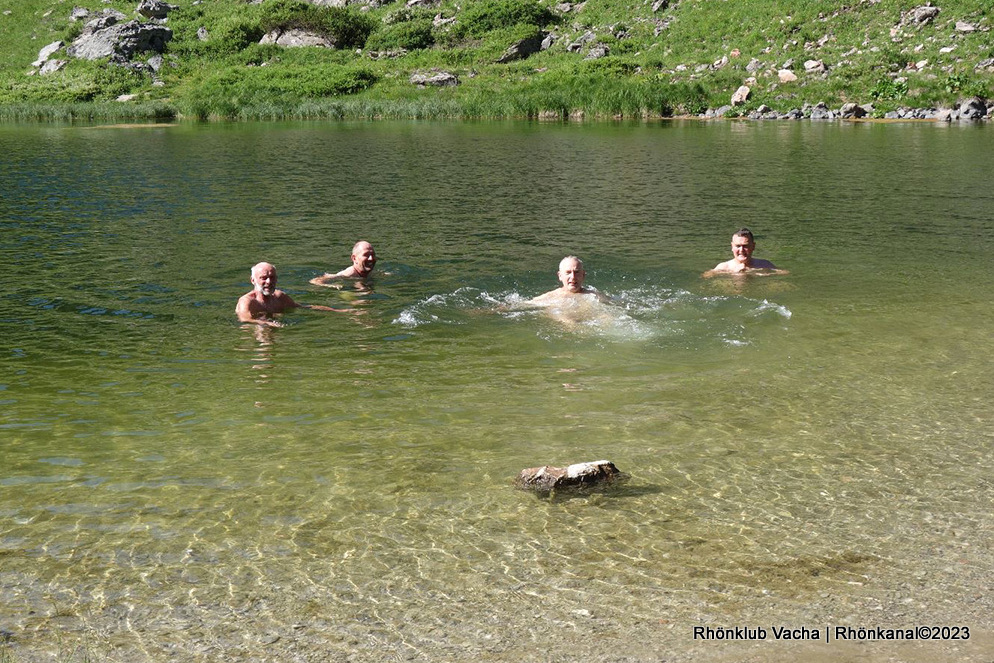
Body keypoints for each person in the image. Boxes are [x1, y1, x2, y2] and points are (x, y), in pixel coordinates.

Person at [236, 262, 343, 326]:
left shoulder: (279, 297)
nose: (269, 282)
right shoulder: (247, 301)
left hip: (276, 323)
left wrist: (337, 311)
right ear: (253, 280)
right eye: (263, 278)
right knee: (262, 330)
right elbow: (245, 320)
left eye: (272, 278)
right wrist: (267, 324)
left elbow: (303, 307)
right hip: (258, 329)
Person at [703, 228, 787, 276]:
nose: (741, 250)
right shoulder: (724, 267)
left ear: (753, 246)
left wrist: (759, 272)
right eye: (738, 246)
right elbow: (706, 276)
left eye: (745, 246)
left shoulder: (764, 264)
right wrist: (733, 273)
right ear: (732, 246)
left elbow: (785, 273)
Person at [529, 256, 611, 305]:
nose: (573, 277)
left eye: (576, 272)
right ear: (560, 276)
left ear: (583, 275)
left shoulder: (594, 295)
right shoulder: (550, 297)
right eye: (568, 272)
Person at [310, 241, 377, 286]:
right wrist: (330, 286)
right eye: (366, 255)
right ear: (354, 258)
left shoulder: (369, 270)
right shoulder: (347, 274)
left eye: (373, 255)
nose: (371, 258)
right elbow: (314, 281)